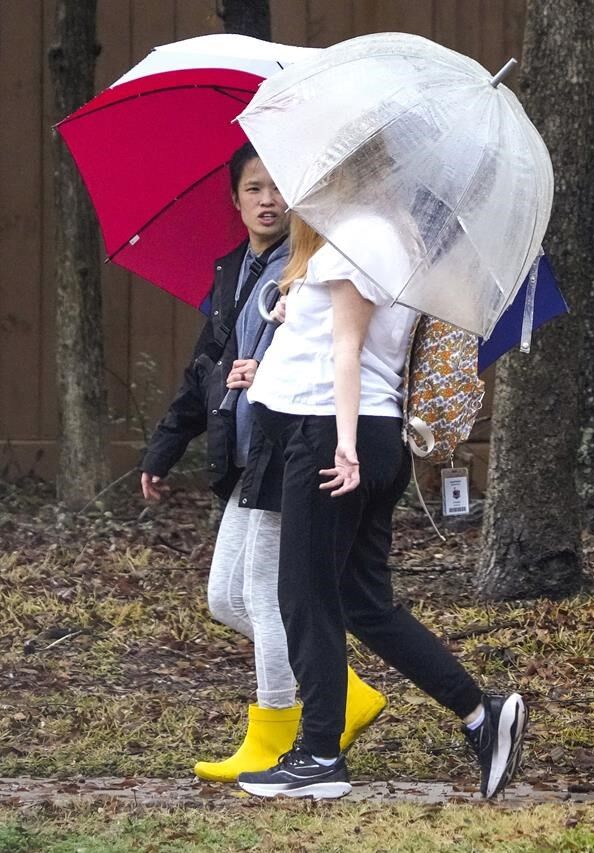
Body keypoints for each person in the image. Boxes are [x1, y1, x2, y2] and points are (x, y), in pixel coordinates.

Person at [238, 214, 526, 800]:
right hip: (362, 432)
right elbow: (345, 340)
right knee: (363, 604)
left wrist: (342, 447)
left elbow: (349, 349)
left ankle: (318, 756)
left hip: (334, 437)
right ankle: (480, 715)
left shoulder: (361, 237)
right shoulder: (390, 240)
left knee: (304, 596)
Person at [138, 143, 385, 782]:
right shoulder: (233, 270)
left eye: (280, 187)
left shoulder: (307, 264)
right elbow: (207, 366)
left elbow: (322, 354)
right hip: (247, 450)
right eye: (254, 188)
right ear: (236, 199)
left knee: (268, 596)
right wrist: (167, 445)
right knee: (226, 597)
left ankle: (278, 732)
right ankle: (341, 689)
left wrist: (260, 369)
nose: (268, 200)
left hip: (291, 443)